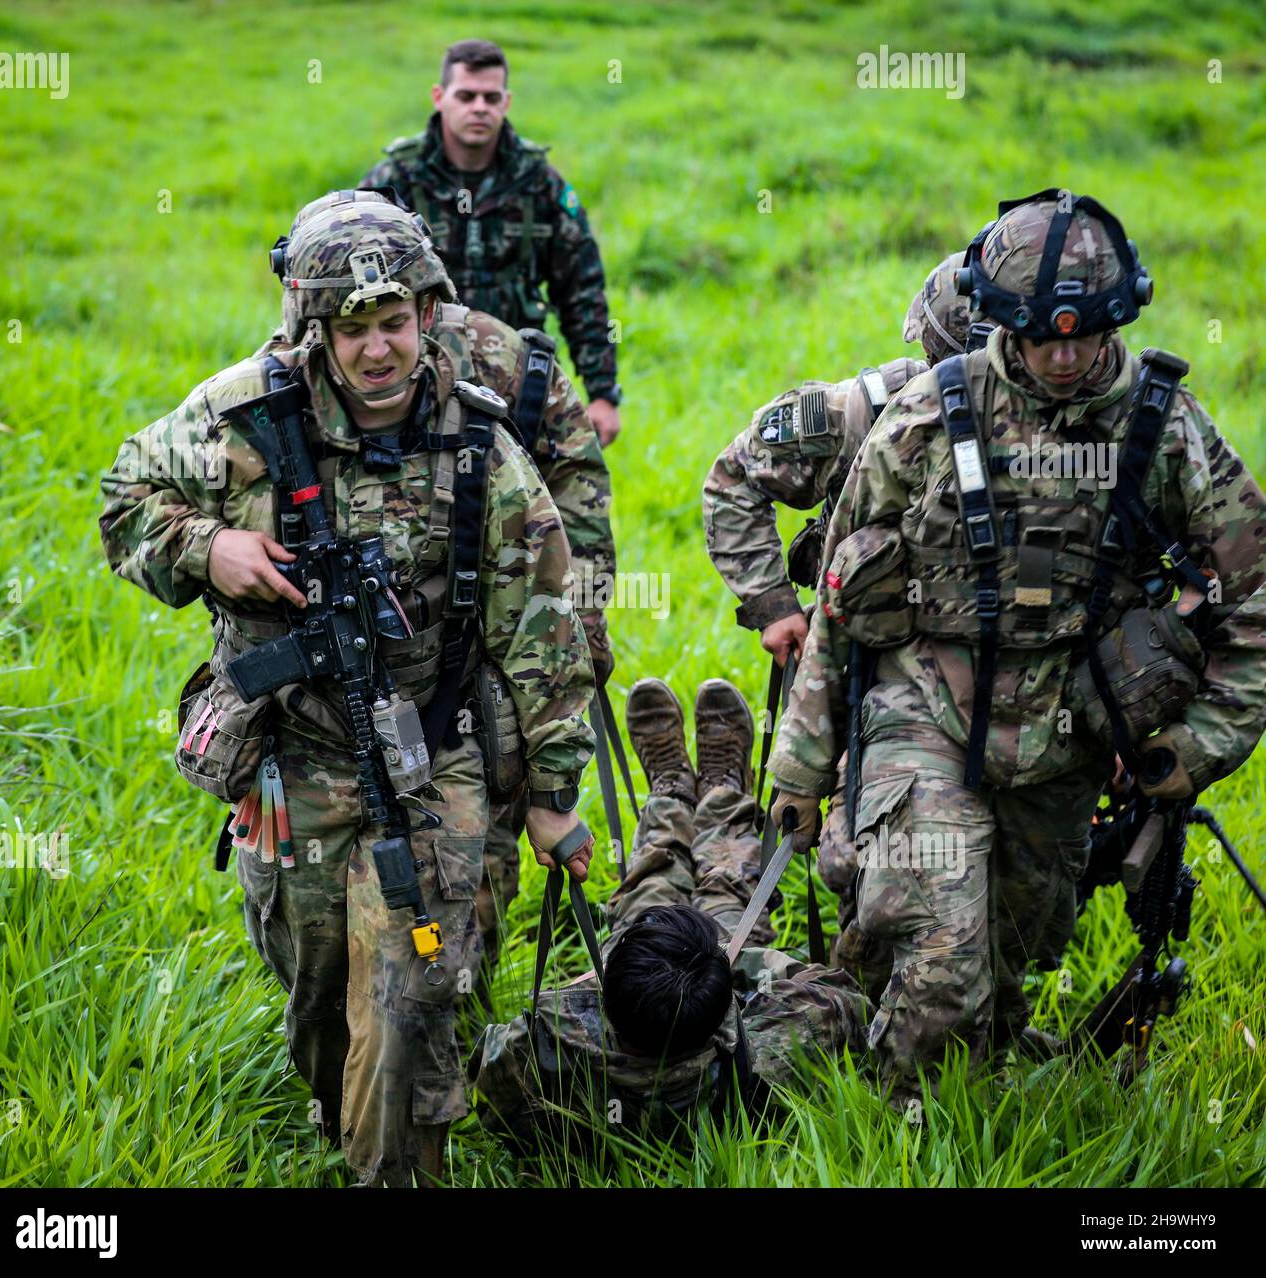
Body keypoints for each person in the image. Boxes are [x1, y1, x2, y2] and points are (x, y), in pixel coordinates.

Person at [99, 190, 598, 1185]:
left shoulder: (477, 443)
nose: (379, 350)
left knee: (412, 999)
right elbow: (122, 501)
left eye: (395, 323)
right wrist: (209, 547)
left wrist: (550, 799)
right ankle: (354, 1130)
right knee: (319, 992)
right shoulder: (243, 414)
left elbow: (544, 622)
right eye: (353, 329)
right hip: (288, 753)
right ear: (313, 330)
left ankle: (397, 1170)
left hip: (441, 750)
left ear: (424, 314)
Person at [768, 190, 1266, 1103]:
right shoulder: (925, 418)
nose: (1067, 357)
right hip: (923, 709)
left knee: (1015, 955)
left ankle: (960, 1094)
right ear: (1003, 325)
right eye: (1044, 339)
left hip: (1067, 739)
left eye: (1086, 336)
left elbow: (1257, 602)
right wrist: (803, 770)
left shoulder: (1168, 432)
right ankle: (897, 1127)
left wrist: (1193, 748)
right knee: (943, 956)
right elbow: (840, 600)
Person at [700, 251, 973, 1001]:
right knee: (857, 857)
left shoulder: (1058, 441)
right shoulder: (858, 414)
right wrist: (773, 607)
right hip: (866, 668)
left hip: (1003, 682)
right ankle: (859, 996)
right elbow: (734, 477)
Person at [470, 676, 873, 1148]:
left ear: (605, 998)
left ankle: (671, 793)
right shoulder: (765, 1050)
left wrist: (578, 991)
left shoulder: (546, 1052)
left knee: (652, 883)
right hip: (690, 983)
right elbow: (845, 999)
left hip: (666, 993)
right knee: (726, 889)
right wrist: (732, 964)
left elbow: (488, 1072)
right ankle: (723, 793)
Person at [360, 38, 623, 447]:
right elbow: (351, 288)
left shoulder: (540, 184)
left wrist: (603, 394)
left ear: (507, 102)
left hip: (518, 384)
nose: (479, 107)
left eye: (490, 97)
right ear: (439, 97)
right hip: (416, 383)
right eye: (466, 95)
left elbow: (582, 291)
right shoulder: (394, 183)